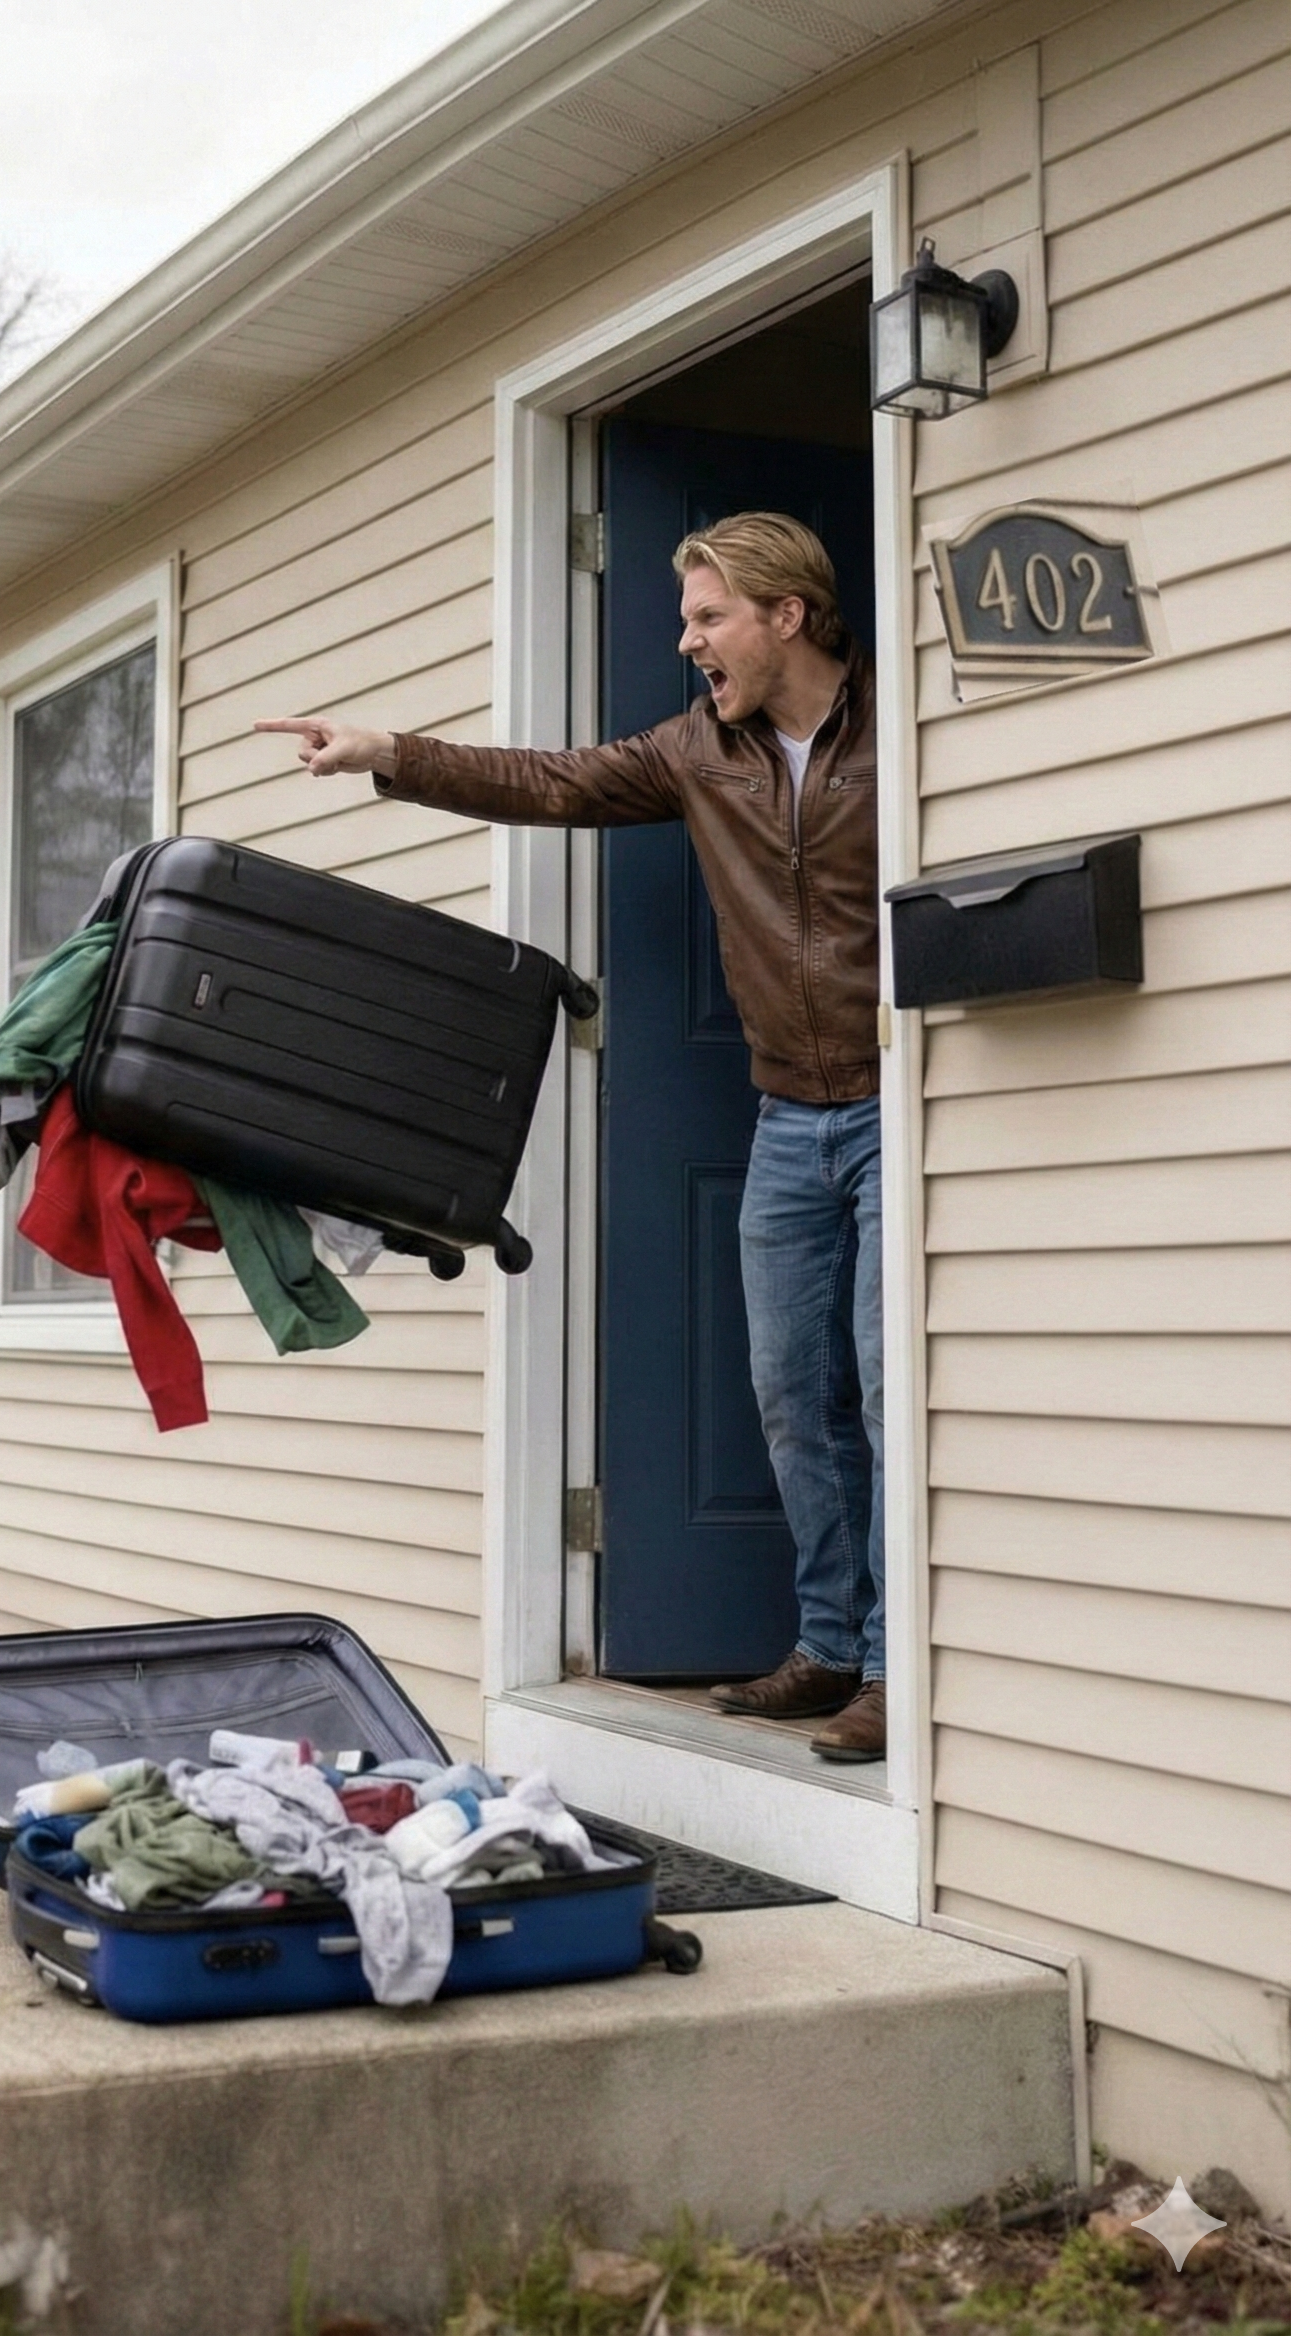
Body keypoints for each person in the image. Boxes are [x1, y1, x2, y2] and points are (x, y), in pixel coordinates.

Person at [256, 511, 886, 1762]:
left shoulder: (900, 725)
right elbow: (551, 781)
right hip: (786, 1116)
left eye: (708, 616)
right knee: (790, 1393)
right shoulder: (700, 748)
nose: (687, 639)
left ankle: (894, 1668)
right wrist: (391, 752)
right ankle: (830, 1642)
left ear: (787, 615)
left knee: (884, 1384)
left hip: (893, 1104)